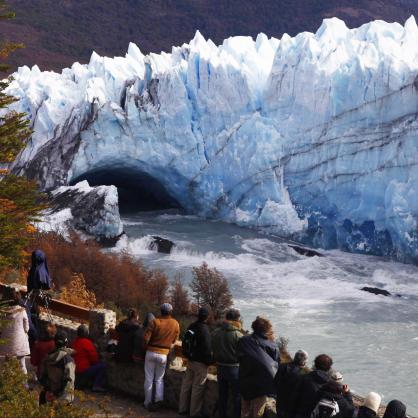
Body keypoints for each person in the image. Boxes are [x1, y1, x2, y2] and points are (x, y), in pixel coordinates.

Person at [237, 316, 280, 418]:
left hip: (245, 380)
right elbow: (276, 364)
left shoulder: (243, 340)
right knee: (258, 413)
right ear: (266, 330)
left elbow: (238, 357)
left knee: (244, 411)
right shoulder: (271, 346)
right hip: (261, 386)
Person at [143, 303, 180, 411]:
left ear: (161, 311)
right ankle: (158, 400)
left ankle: (147, 402)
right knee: (159, 379)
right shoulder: (175, 323)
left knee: (149, 378)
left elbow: (145, 338)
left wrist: (147, 348)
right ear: (171, 312)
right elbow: (174, 340)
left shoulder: (154, 322)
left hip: (151, 352)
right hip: (164, 354)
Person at [178, 307, 213, 418]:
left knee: (186, 385)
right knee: (197, 388)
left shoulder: (192, 326)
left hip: (190, 360)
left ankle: (182, 409)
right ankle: (194, 413)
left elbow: (185, 341)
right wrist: (209, 362)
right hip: (200, 363)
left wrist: (188, 355)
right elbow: (207, 348)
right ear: (207, 317)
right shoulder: (205, 330)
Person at [212, 308, 244, 418]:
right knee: (237, 397)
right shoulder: (239, 336)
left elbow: (214, 349)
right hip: (234, 369)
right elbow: (243, 355)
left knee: (222, 396)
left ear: (226, 318)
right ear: (237, 320)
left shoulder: (216, 332)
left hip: (220, 367)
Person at [39, 331, 75, 405]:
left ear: (54, 343)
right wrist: (57, 394)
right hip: (64, 397)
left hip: (49, 394)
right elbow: (69, 380)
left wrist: (49, 391)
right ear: (66, 343)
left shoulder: (47, 358)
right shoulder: (68, 360)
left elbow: (42, 376)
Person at [0, 290, 30, 374]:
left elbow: (1, 327)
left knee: (7, 362)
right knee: (22, 363)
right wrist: (25, 332)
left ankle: (6, 382)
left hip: (7, 341)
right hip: (19, 341)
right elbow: (26, 326)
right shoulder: (22, 311)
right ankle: (25, 384)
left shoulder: (3, 312)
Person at [294, 354, 333, 418]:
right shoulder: (331, 384)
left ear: (315, 365)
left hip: (302, 413)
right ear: (329, 367)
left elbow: (295, 396)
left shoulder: (303, 378)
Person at [274, 349, 308, 418]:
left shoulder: (282, 366)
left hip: (280, 401)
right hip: (293, 405)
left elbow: (275, 382)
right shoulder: (303, 374)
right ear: (303, 362)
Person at [72, 324, 106, 392]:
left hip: (75, 369)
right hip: (83, 370)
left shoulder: (75, 342)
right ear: (86, 333)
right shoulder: (87, 343)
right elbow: (94, 359)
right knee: (102, 366)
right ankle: (96, 386)